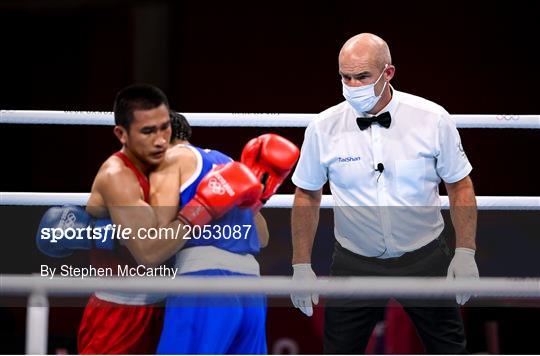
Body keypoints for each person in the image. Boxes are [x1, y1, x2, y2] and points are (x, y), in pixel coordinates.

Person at [36, 85, 264, 354]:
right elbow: (57, 231)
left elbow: (257, 235)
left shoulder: (189, 173)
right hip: (120, 306)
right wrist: (99, 233)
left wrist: (249, 201)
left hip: (168, 300)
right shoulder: (119, 174)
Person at [289, 33, 479, 354]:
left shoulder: (432, 119)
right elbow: (307, 194)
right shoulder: (324, 127)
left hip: (425, 258)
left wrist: (465, 252)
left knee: (451, 350)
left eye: (362, 76)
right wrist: (300, 266)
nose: (352, 85)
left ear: (388, 72)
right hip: (354, 262)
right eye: (345, 77)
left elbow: (459, 184)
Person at [151, 112, 299, 354]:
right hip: (251, 287)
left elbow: (156, 237)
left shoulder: (172, 159)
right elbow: (262, 238)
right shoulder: (229, 164)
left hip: (204, 282)